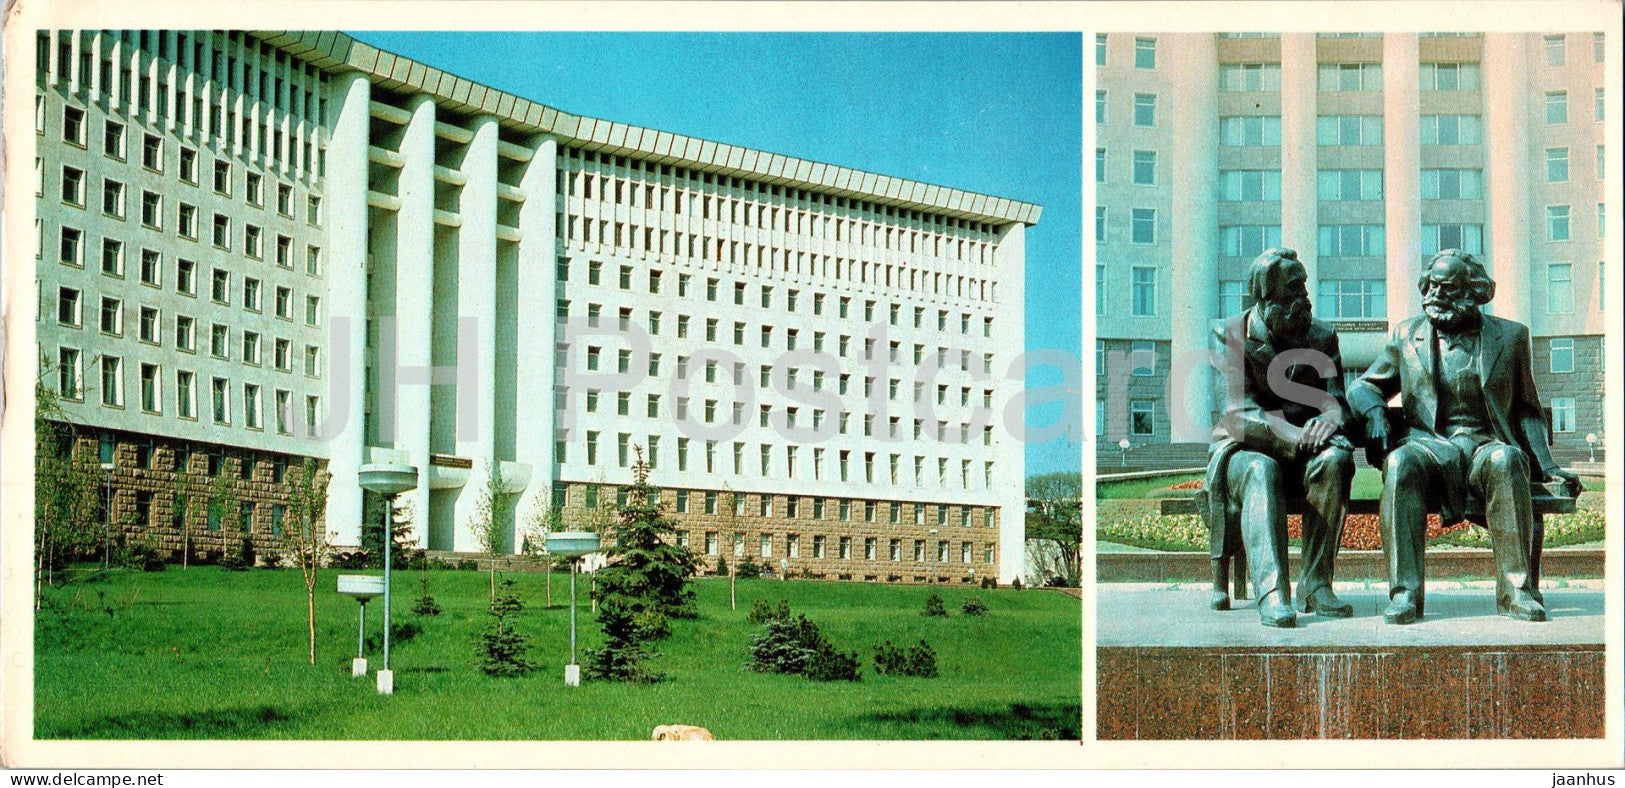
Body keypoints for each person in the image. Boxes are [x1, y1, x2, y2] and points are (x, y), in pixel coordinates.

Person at [1349, 249, 1583, 624]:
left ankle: (1517, 593)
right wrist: (1376, 411)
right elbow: (1363, 386)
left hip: (1485, 446)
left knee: (1506, 460)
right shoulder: (1407, 335)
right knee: (1399, 463)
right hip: (1429, 446)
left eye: (1448, 288)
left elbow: (1527, 409)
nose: (1436, 295)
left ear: (1473, 292)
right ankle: (1405, 594)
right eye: (1432, 286)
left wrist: (1549, 464)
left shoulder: (1511, 337)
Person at [1206, 248, 1355, 628]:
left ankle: (1316, 585)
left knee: (1336, 462)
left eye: (1304, 287)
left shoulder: (1322, 335)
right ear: (1266, 298)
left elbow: (1337, 398)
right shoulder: (1229, 333)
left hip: (1306, 454)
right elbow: (1237, 413)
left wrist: (1332, 418)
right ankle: (1273, 594)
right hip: (1243, 451)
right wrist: (1297, 436)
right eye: (1293, 291)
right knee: (1261, 469)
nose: (1303, 299)